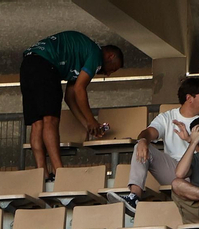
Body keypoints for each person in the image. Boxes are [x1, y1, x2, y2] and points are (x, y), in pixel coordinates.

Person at [21, 31, 123, 177]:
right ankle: (60, 171)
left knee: (37, 123)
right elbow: (80, 89)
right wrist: (91, 120)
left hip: (28, 64)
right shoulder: (95, 54)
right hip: (45, 65)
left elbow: (70, 97)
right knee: (50, 120)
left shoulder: (81, 55)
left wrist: (87, 125)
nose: (108, 74)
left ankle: (41, 174)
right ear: (110, 56)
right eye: (112, 69)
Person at [124, 76, 199, 213]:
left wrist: (190, 140)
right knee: (140, 145)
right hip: (175, 171)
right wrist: (142, 140)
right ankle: (134, 197)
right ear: (189, 98)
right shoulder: (167, 117)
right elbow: (148, 132)